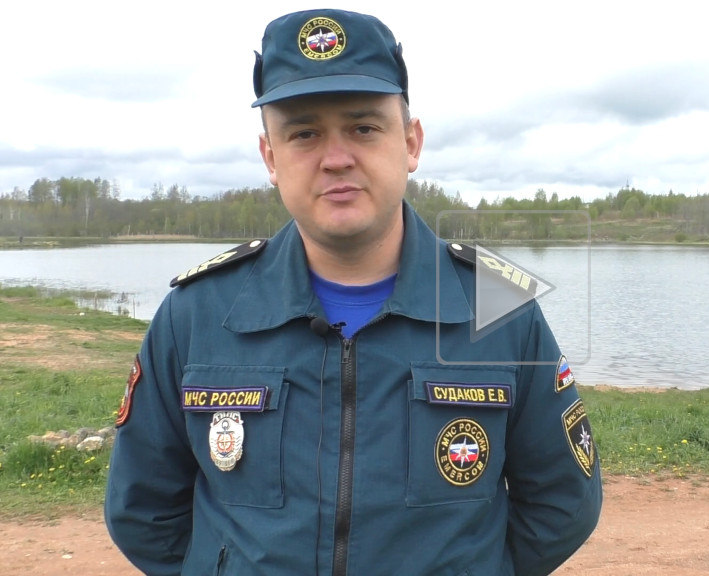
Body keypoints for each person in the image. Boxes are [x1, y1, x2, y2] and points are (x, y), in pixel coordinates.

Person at [104, 8, 602, 576]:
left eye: (364, 128)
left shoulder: (497, 306)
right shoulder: (197, 313)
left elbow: (564, 501)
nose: (336, 157)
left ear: (410, 143)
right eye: (304, 133)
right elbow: (143, 510)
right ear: (271, 157)